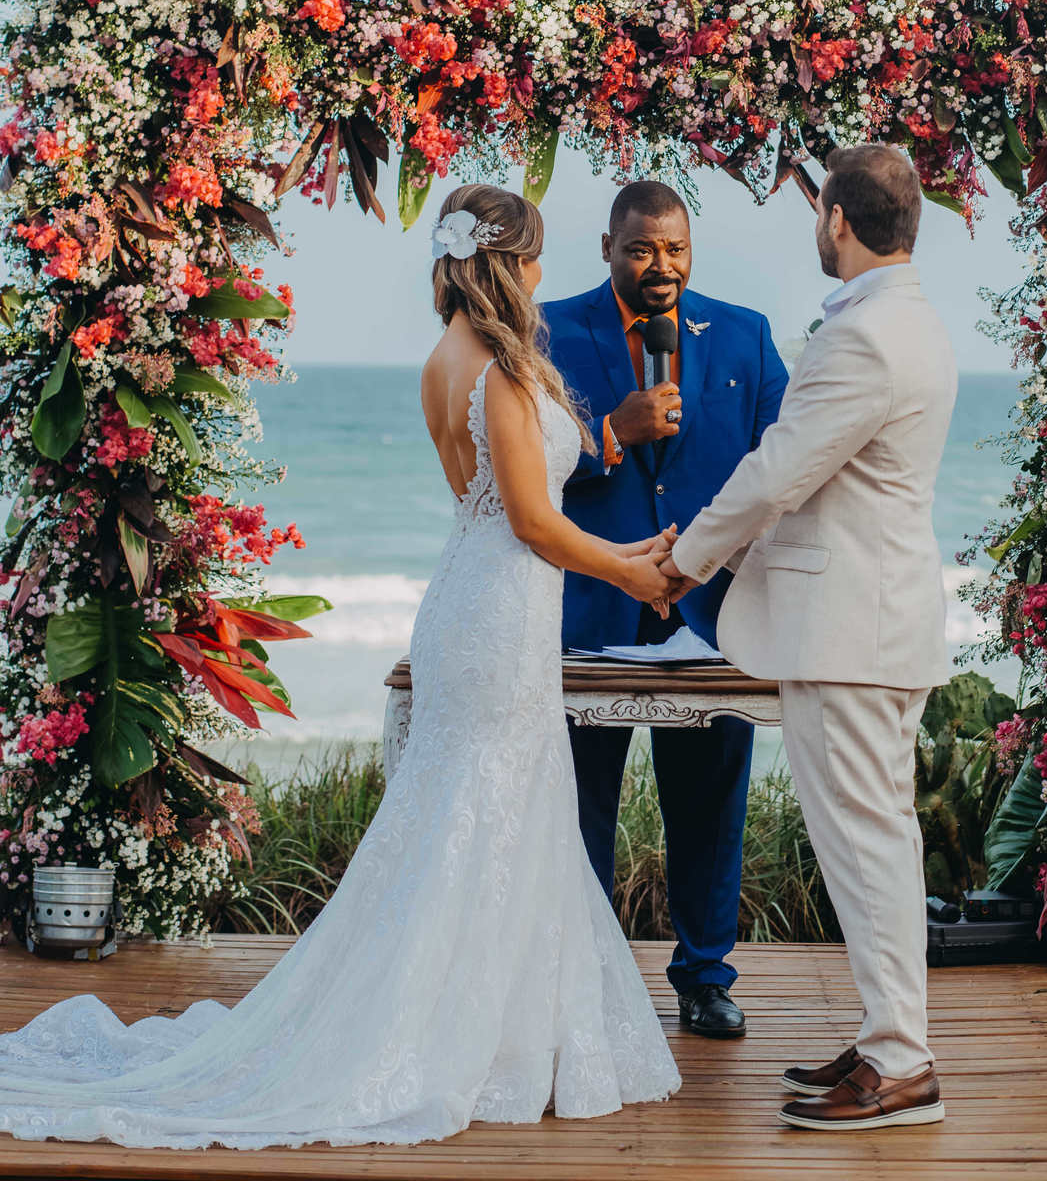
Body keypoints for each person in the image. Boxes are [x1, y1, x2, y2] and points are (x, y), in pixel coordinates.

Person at [0, 185, 681, 1151]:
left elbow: (482, 496)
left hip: (472, 601)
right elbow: (532, 521)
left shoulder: (445, 360)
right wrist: (629, 565)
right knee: (490, 813)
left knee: (472, 816)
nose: (541, 278)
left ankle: (494, 1032)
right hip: (500, 608)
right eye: (533, 261)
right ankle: (474, 1042)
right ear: (510, 264)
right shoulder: (505, 371)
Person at [660, 144, 956, 1132]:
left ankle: (903, 1066)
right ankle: (886, 1042)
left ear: (836, 219)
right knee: (880, 847)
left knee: (869, 850)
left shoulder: (865, 338)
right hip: (870, 623)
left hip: (851, 633)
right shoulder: (906, 320)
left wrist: (684, 560)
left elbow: (781, 469)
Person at [542, 180, 788, 1039]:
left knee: (713, 807)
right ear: (608, 246)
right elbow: (512, 471)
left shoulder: (748, 336)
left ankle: (706, 978)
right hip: (592, 606)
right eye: (643, 249)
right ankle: (590, 982)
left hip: (714, 611)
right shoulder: (546, 331)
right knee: (577, 807)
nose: (662, 266)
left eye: (676, 249)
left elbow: (780, 469)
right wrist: (613, 429)